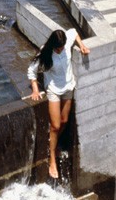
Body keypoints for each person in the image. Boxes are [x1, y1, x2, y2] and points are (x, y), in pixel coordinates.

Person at [27, 28, 90, 179]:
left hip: (68, 86)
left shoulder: (65, 41)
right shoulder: (45, 52)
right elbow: (31, 70)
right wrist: (35, 89)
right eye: (58, 48)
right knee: (55, 125)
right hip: (54, 90)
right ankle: (52, 159)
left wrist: (81, 45)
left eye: (62, 47)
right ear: (53, 45)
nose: (61, 50)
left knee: (64, 121)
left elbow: (74, 31)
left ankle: (53, 145)